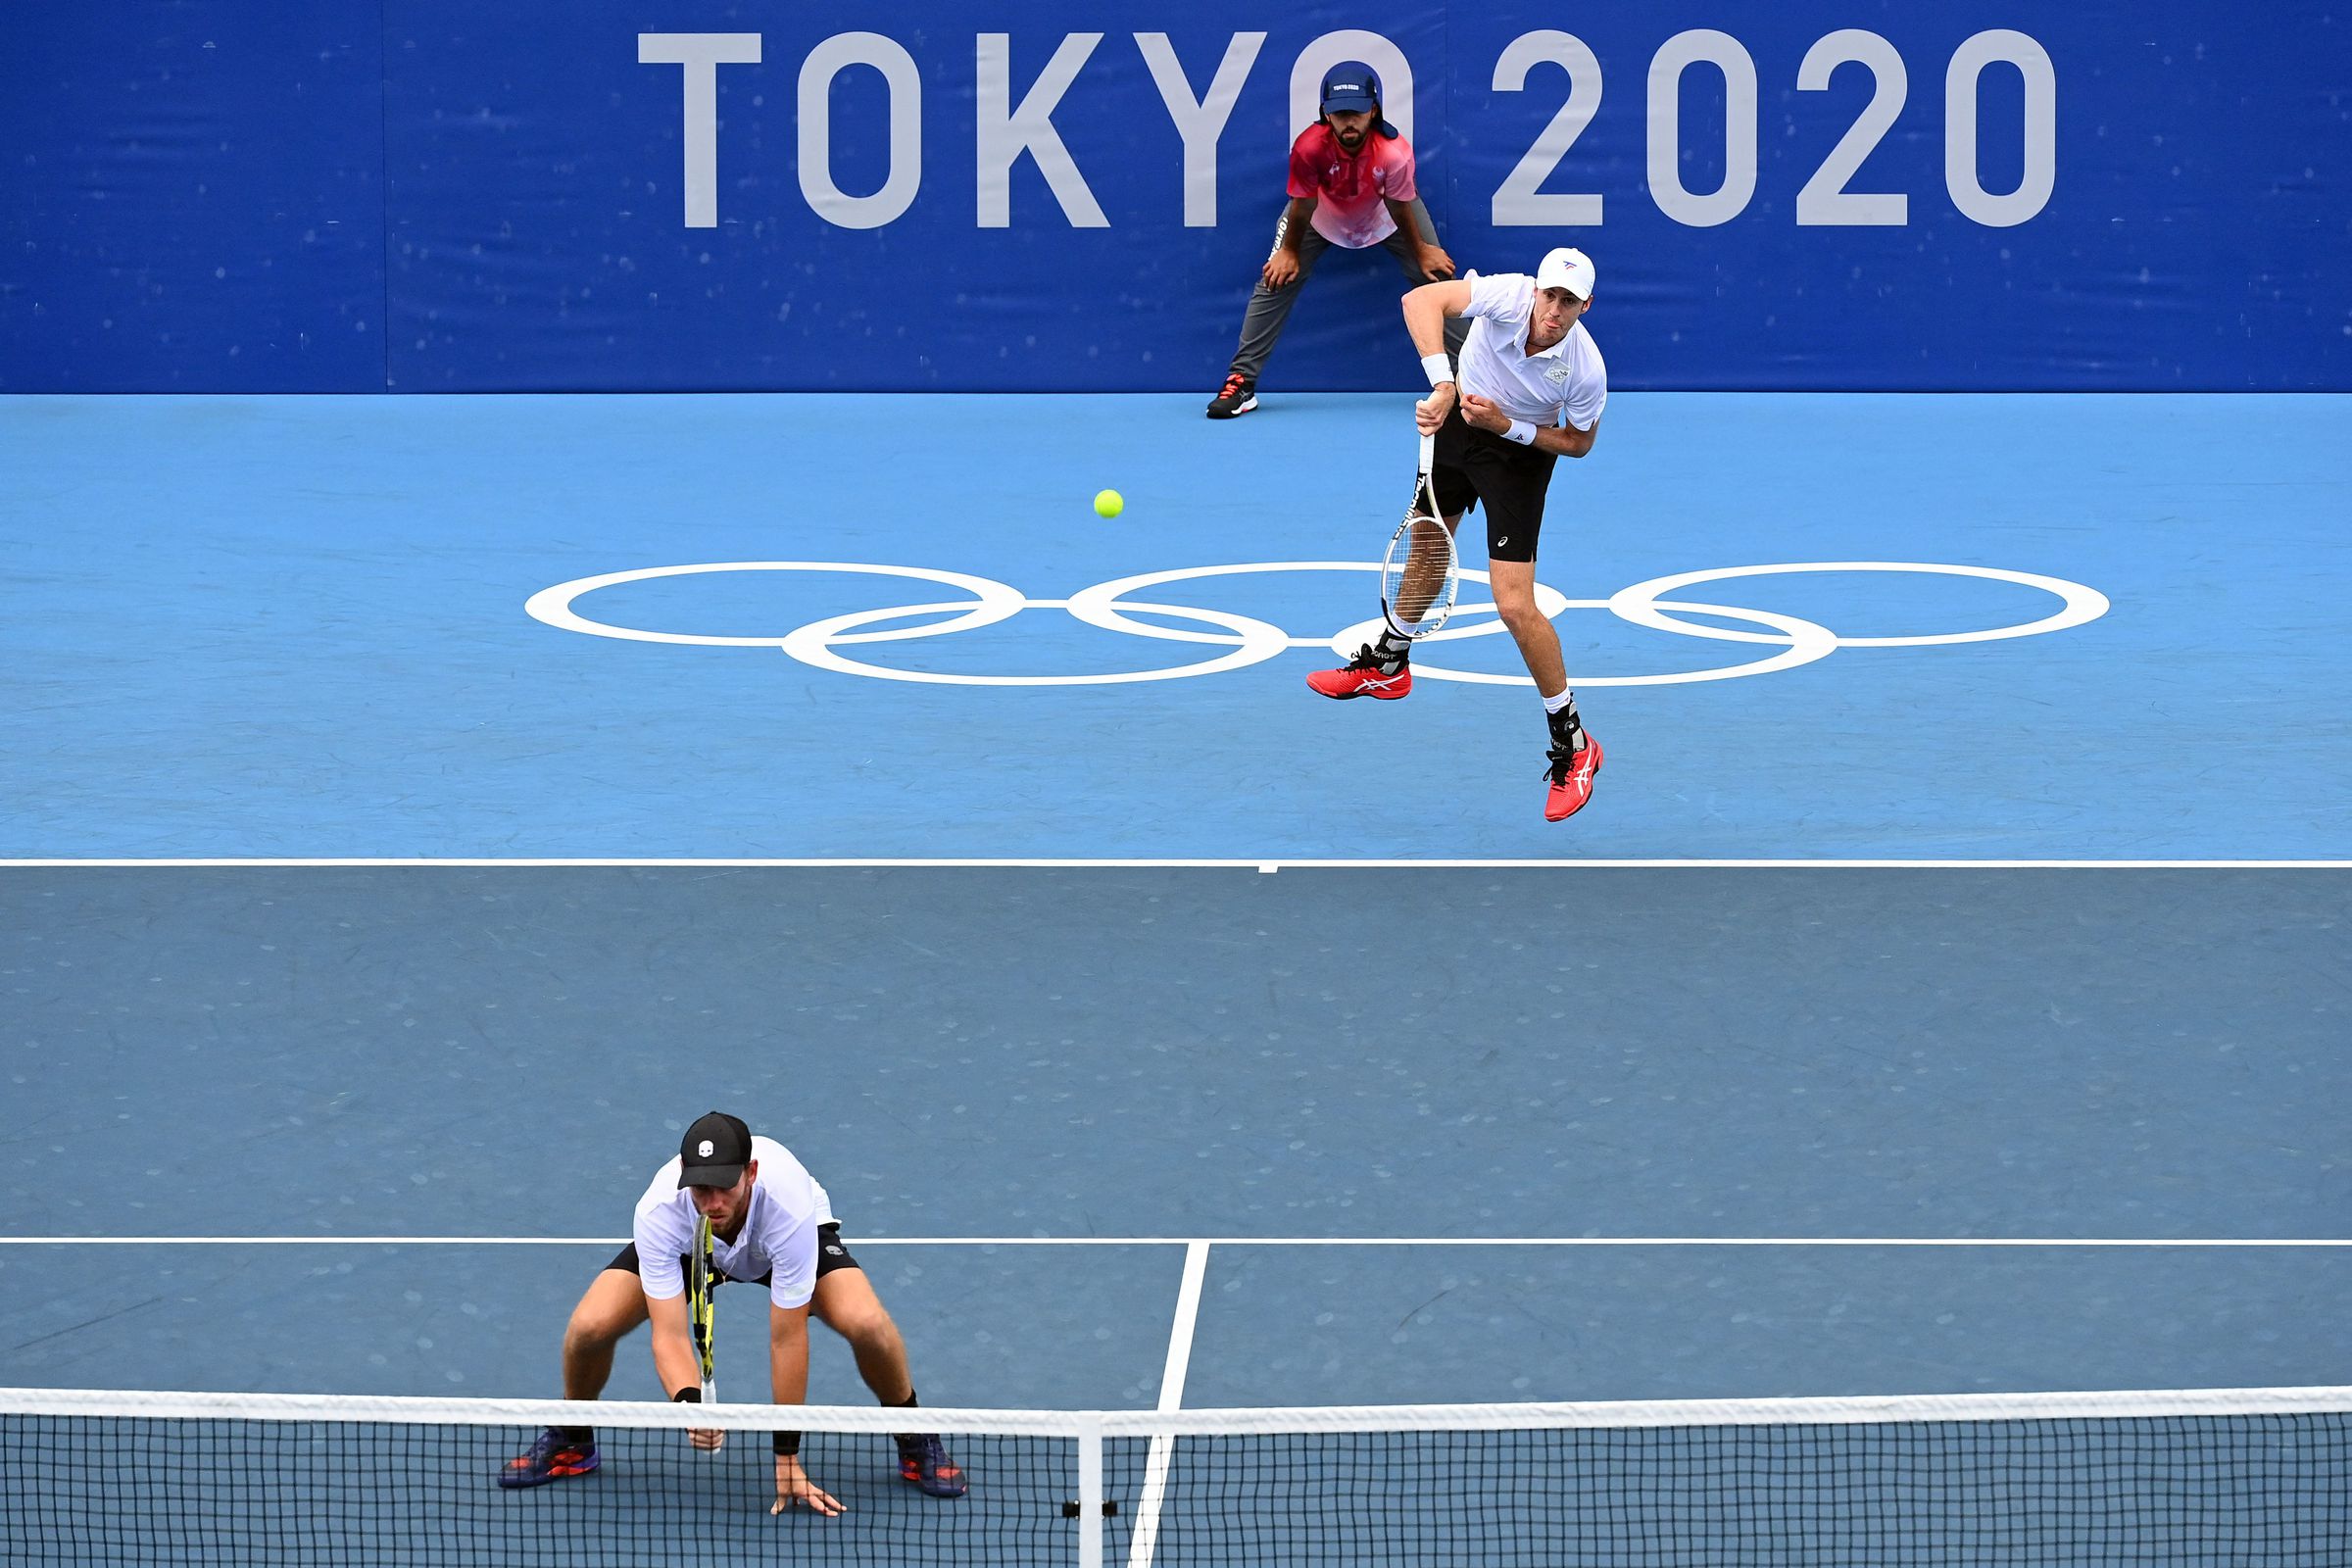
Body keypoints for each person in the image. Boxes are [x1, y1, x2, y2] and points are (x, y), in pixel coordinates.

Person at [498, 1111, 965, 1511]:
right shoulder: (661, 1211)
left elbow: (787, 1338)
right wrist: (688, 1406)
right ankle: (574, 1439)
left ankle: (913, 1434)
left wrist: (787, 1456)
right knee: (589, 1325)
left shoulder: (789, 1207)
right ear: (683, 1172)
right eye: (701, 1188)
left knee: (865, 1322)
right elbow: (670, 1335)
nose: (713, 1202)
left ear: (751, 1172)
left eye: (724, 1186)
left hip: (772, 1246)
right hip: (692, 1251)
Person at [1306, 247, 1608, 822]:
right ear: (1536, 290)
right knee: (1428, 541)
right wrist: (1443, 385)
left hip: (1518, 454)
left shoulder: (1586, 369)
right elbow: (1420, 299)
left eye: (1569, 301)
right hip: (1460, 421)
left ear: (1584, 306)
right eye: (1550, 294)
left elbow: (1578, 443)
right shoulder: (1507, 294)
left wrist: (1509, 426)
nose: (1554, 308)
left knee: (1515, 606)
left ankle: (1574, 742)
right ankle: (1389, 665)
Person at [1205, 62, 1457, 419]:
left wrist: (1422, 251)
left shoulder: (1394, 151)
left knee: (1438, 282)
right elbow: (1303, 202)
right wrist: (1289, 251)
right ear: (1325, 113)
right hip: (1319, 216)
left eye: (1356, 112)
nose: (1348, 121)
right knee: (1274, 278)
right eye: (1339, 114)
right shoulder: (1309, 147)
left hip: (1388, 214)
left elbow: (1400, 207)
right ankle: (1241, 382)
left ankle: (1470, 382)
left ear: (1373, 110)